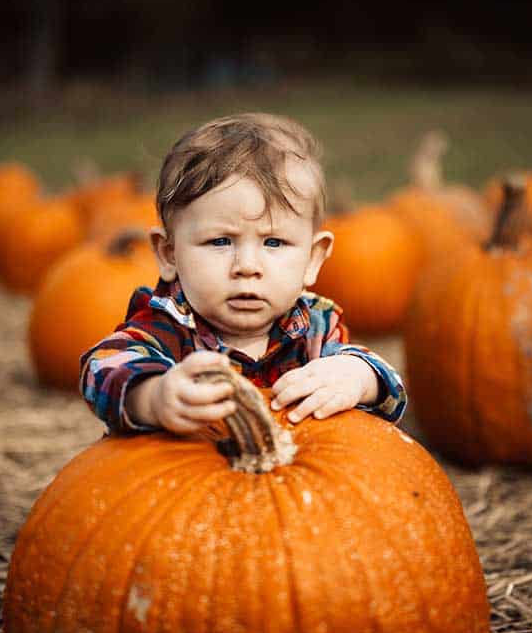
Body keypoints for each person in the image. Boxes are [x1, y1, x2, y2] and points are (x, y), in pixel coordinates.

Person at [79, 113, 406, 435]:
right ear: (169, 254)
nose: (247, 266)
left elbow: (390, 391)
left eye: (274, 242)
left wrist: (357, 376)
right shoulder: (166, 326)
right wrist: (153, 396)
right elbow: (101, 368)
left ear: (312, 259)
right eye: (220, 241)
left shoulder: (316, 328)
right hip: (187, 479)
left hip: (295, 478)